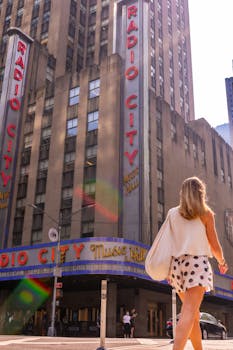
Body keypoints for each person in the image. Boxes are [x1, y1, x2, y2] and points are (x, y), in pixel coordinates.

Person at [166, 176, 228, 350]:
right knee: (188, 314)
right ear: (201, 193)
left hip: (177, 267)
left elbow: (169, 244)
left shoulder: (172, 213)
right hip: (196, 265)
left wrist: (168, 271)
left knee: (193, 315)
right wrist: (222, 261)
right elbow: (214, 245)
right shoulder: (206, 214)